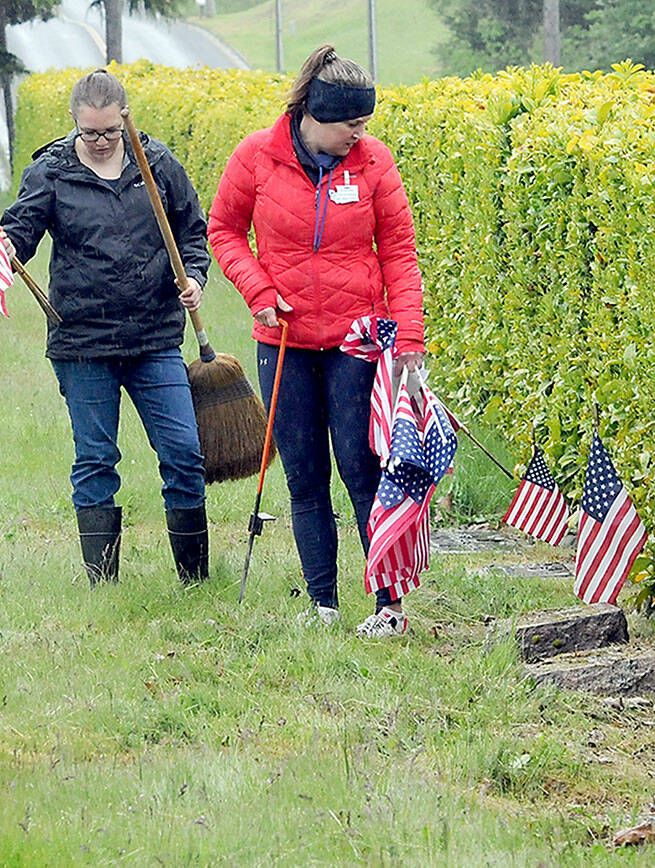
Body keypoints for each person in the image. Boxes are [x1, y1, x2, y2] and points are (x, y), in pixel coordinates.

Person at [207, 45, 425, 637]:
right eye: (350, 124)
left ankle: (388, 607)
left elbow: (400, 255)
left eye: (365, 124)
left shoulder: (374, 163)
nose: (360, 135)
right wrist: (257, 290)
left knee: (364, 470)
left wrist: (409, 336)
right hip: (284, 342)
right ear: (314, 115)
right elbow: (223, 230)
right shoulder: (255, 156)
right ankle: (323, 604)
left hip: (360, 341)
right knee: (304, 476)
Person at [0, 69, 211, 587]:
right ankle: (105, 587)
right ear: (74, 121)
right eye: (89, 132)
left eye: (109, 133)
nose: (98, 142)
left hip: (154, 337)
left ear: (124, 120)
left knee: (184, 453)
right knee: (96, 458)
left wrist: (196, 278)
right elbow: (20, 231)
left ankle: (196, 582)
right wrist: (6, 246)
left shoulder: (157, 163)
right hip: (82, 342)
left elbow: (192, 232)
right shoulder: (50, 172)